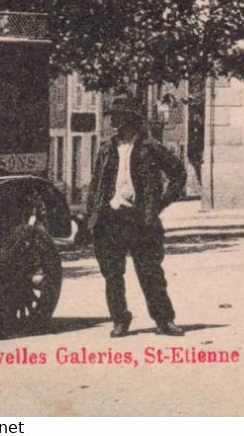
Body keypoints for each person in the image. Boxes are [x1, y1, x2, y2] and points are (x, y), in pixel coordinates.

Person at [80, 92, 189, 338]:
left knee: (150, 272)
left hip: (141, 219)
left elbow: (178, 173)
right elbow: (97, 184)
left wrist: (160, 203)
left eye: (119, 117)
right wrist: (91, 217)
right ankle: (120, 320)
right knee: (112, 275)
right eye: (114, 117)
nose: (114, 122)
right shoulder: (107, 149)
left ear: (131, 119)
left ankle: (165, 320)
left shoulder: (151, 147)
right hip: (111, 218)